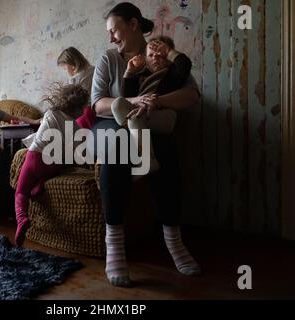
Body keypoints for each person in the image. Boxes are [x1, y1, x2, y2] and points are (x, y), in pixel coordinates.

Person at [91, 2, 202, 287]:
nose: (111, 37)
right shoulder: (109, 59)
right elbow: (97, 104)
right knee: (117, 143)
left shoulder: (158, 52)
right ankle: (114, 245)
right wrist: (135, 102)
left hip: (148, 122)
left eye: (114, 30)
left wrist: (156, 102)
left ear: (133, 25)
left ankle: (174, 243)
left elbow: (191, 95)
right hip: (112, 123)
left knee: (164, 147)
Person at [14, 83, 91, 247]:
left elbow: (38, 133)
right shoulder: (76, 127)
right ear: (79, 107)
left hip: (36, 157)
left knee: (21, 191)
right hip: (54, 165)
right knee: (56, 170)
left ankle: (21, 219)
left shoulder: (51, 113)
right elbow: (80, 154)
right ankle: (40, 184)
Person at [111, 36, 192, 173]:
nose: (156, 57)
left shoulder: (171, 74)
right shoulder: (142, 76)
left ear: (169, 58)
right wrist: (130, 71)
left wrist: (169, 51)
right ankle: (132, 131)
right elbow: (127, 96)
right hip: (143, 117)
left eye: (161, 54)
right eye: (151, 55)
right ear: (145, 59)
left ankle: (148, 161)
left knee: (135, 118)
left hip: (165, 116)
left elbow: (184, 64)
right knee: (117, 104)